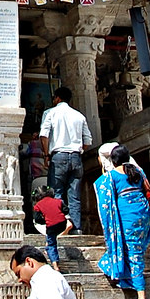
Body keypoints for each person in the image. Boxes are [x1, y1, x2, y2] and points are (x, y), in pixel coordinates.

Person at [94, 142, 150, 299]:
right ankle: (131, 281)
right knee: (136, 249)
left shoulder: (112, 176)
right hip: (143, 213)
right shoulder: (138, 171)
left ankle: (141, 296)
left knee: (133, 252)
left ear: (113, 160)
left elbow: (102, 192)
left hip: (127, 215)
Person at [38, 86, 91, 234]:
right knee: (74, 195)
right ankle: (76, 228)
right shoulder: (79, 116)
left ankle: (61, 225)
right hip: (76, 156)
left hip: (58, 156)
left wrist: (46, 155)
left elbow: (44, 135)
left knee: (56, 193)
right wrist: (77, 149)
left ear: (57, 98)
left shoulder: (50, 113)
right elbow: (88, 140)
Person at [32, 185, 74, 271]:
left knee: (51, 245)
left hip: (51, 226)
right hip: (62, 223)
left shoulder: (38, 205)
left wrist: (46, 220)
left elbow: (37, 219)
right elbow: (66, 210)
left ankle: (55, 265)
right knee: (54, 235)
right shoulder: (58, 201)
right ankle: (65, 230)